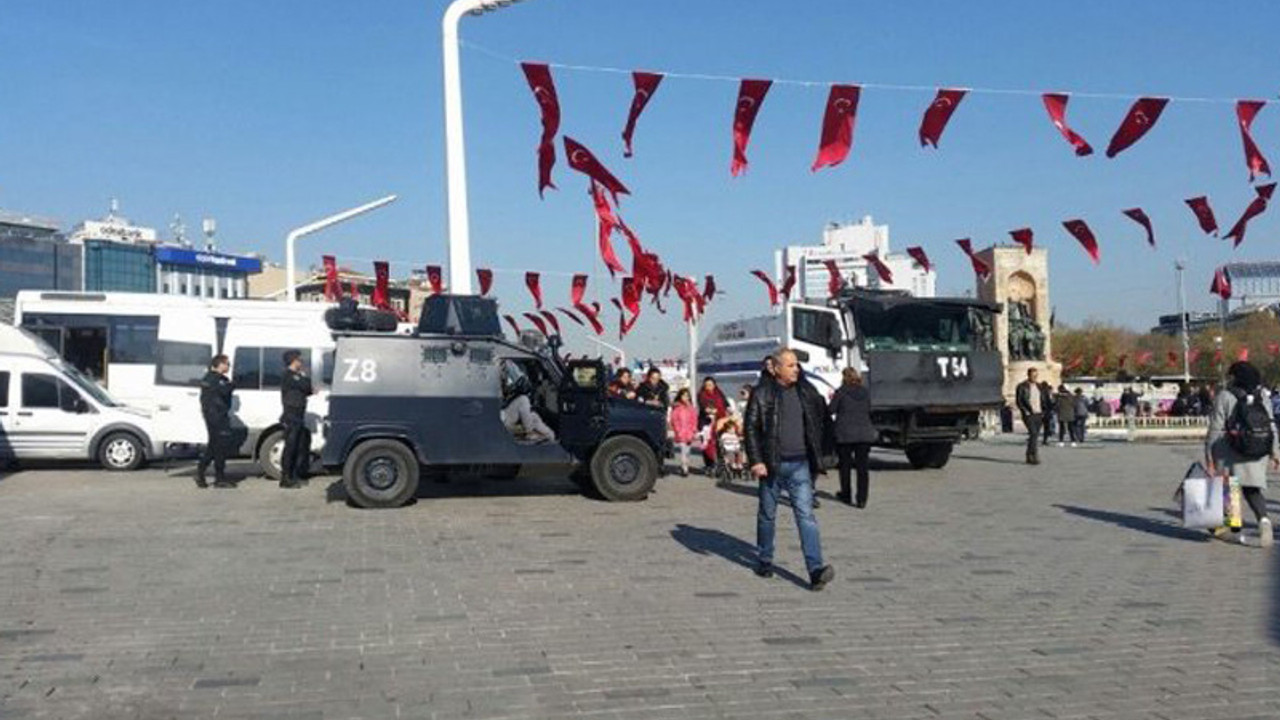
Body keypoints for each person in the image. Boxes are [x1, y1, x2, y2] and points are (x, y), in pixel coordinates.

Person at [744, 348, 835, 590]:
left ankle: (815, 570)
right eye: (791, 365)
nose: (796, 369)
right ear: (776, 368)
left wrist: (823, 454)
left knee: (806, 516)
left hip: (800, 465)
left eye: (797, 365)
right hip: (772, 465)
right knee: (767, 515)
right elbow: (750, 428)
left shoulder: (806, 391)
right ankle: (765, 558)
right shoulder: (762, 393)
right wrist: (756, 460)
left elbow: (821, 420)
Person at [1205, 361, 1278, 547]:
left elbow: (1216, 428)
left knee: (1231, 489)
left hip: (1232, 449)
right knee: (1253, 489)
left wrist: (1209, 454)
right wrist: (1275, 451)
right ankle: (1264, 521)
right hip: (1258, 448)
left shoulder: (1225, 395)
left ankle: (1235, 532)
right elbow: (1270, 424)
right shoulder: (1262, 395)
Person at [830, 367, 876, 507]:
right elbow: (869, 409)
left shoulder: (841, 392)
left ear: (844, 377)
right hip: (864, 434)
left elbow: (831, 409)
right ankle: (862, 499)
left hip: (845, 434)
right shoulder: (865, 392)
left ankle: (846, 494)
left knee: (845, 467)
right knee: (863, 468)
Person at [196, 354, 235, 489]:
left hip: (216, 416)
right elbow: (224, 390)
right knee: (217, 447)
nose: (228, 366)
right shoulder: (213, 378)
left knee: (215, 447)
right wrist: (232, 385)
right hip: (216, 417)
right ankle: (216, 477)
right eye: (227, 364)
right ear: (220, 364)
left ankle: (206, 473)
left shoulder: (214, 378)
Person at [278, 350, 314, 489]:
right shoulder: (289, 375)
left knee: (298, 446)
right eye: (299, 360)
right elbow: (306, 386)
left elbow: (308, 390)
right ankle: (285, 478)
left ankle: (293, 475)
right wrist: (304, 377)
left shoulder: (297, 376)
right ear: (293, 361)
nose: (301, 362)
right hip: (291, 415)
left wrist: (303, 379)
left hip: (298, 414)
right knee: (290, 447)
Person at [501, 365, 556, 443]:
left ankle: (551, 437)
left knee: (533, 416)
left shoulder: (503, 375)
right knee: (523, 400)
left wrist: (511, 390)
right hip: (501, 417)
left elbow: (505, 392)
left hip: (503, 414)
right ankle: (530, 433)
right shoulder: (496, 373)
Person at [1015, 367, 1050, 465]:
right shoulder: (1022, 386)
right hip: (1029, 414)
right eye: (1033, 375)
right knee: (1033, 433)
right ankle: (1034, 455)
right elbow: (1019, 401)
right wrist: (1025, 411)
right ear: (1028, 375)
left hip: (1039, 413)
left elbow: (1044, 399)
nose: (1035, 377)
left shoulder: (1040, 386)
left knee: (1034, 436)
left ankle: (1029, 455)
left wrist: (1044, 411)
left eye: (1036, 375)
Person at [669, 388, 698, 476]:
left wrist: (693, 429)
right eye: (684, 396)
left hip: (689, 432)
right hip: (681, 432)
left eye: (687, 396)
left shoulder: (691, 408)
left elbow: (694, 419)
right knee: (683, 450)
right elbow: (674, 420)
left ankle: (686, 465)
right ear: (680, 396)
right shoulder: (677, 408)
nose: (686, 398)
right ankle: (684, 467)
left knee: (688, 451)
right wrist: (677, 430)